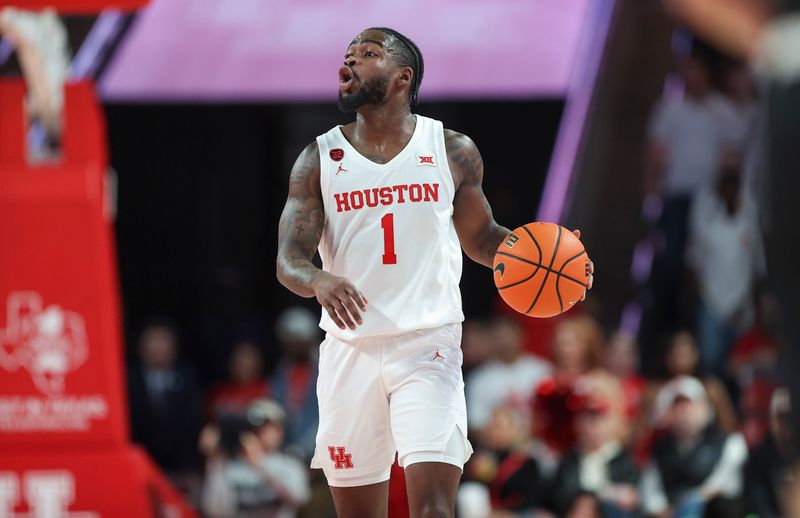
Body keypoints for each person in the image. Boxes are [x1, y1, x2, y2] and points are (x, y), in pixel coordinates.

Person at [275, 27, 594, 516]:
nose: (351, 61)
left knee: (435, 510)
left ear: (402, 78)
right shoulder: (318, 158)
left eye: (368, 54)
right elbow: (288, 260)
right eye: (348, 55)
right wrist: (319, 279)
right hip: (349, 350)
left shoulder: (450, 149)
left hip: (428, 346)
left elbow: (483, 238)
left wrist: (554, 256)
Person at [686, 150, 765, 376]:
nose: (729, 192)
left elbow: (756, 268)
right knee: (710, 364)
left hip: (741, 307)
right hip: (712, 304)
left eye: (734, 187)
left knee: (742, 369)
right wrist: (703, 297)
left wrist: (750, 304)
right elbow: (695, 264)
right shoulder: (708, 224)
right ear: (719, 191)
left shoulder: (749, 224)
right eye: (725, 187)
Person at [640, 376, 748, 518]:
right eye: (677, 407)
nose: (684, 413)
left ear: (705, 408)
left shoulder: (732, 443)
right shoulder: (659, 449)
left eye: (690, 405)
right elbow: (651, 493)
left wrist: (694, 501)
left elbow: (727, 486)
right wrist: (665, 511)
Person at [199, 399, 310, 518]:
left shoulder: (290, 464)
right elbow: (214, 510)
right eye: (254, 428)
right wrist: (215, 459)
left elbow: (299, 498)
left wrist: (261, 464)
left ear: (280, 430)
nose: (259, 432)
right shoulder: (232, 466)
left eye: (266, 426)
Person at [127, 318, 202, 478]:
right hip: (139, 470)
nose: (159, 346)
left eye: (164, 340)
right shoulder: (126, 381)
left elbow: (193, 425)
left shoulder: (188, 378)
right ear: (141, 346)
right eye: (152, 340)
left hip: (182, 471)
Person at [549, 393, 639, 517]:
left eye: (598, 420)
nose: (593, 428)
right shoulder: (570, 459)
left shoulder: (622, 459)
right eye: (588, 421)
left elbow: (629, 497)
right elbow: (560, 495)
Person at [466, 316, 551, 432]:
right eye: (500, 336)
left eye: (509, 334)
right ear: (492, 340)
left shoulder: (542, 371)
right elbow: (476, 424)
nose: (505, 341)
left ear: (522, 335)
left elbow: (550, 417)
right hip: (496, 446)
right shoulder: (479, 378)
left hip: (537, 446)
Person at [270, 306, 320, 462]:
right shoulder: (281, 370)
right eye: (288, 342)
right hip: (288, 453)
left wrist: (306, 449)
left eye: (298, 342)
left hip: (319, 451)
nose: (292, 348)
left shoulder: (324, 368)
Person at [207, 340, 269, 420]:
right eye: (238, 358)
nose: (242, 363)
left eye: (247, 358)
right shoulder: (219, 391)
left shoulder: (267, 389)